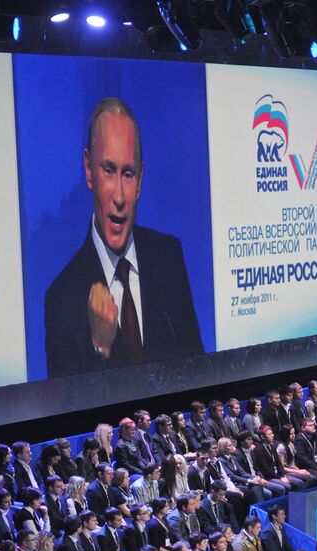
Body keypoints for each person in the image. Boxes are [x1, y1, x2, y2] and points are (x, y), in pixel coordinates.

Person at [44, 97, 202, 378]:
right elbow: (71, 412)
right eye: (108, 170)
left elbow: (197, 370)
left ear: (140, 181)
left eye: (128, 174)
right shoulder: (61, 298)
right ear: (89, 170)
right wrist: (100, 349)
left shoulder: (168, 256)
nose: (119, 196)